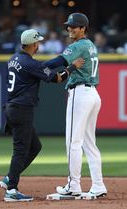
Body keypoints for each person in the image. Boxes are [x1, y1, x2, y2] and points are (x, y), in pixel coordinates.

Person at [0, 28, 84, 202]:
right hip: (21, 109)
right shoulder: (31, 64)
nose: (39, 45)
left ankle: (9, 178)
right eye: (38, 42)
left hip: (12, 107)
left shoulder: (13, 58)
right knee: (20, 150)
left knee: (35, 147)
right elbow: (58, 78)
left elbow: (35, 69)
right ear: (33, 44)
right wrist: (73, 67)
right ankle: (12, 189)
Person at [44, 13, 107, 199]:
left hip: (80, 94)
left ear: (83, 28)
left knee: (73, 142)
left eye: (74, 26)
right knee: (89, 143)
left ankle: (74, 186)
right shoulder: (90, 45)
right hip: (93, 94)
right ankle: (98, 185)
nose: (70, 29)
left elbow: (59, 62)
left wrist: (40, 66)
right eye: (69, 26)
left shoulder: (78, 46)